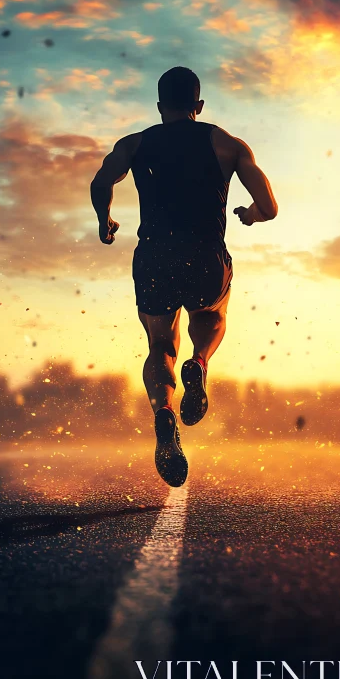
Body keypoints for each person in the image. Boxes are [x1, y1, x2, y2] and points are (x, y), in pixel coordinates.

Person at [90, 67, 278, 487]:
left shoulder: (135, 144)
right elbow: (268, 205)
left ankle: (164, 413)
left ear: (160, 107)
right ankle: (200, 362)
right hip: (205, 255)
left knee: (160, 345)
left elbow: (102, 181)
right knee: (212, 315)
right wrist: (250, 215)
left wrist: (105, 220)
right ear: (199, 105)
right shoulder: (227, 144)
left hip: (154, 256)